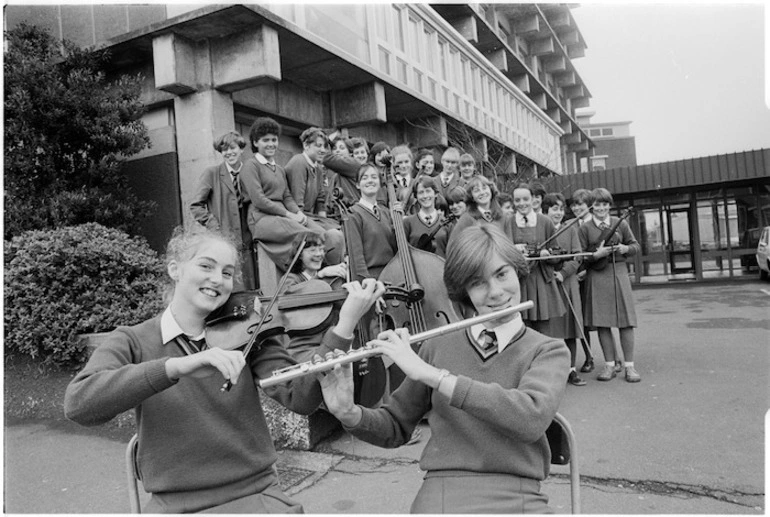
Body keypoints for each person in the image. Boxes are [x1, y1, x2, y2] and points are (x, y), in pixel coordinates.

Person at [64, 225, 383, 513]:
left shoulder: (251, 333)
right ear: (175, 269)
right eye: (206, 266)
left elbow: (299, 398)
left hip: (255, 492)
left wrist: (344, 325)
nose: (218, 279)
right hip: (176, 503)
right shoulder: (133, 340)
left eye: (228, 273)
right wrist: (176, 367)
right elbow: (80, 404)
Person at [319, 224, 570, 513]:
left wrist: (434, 376)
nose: (496, 292)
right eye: (478, 283)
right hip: (443, 490)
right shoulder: (437, 346)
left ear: (517, 270)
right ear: (463, 291)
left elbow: (530, 418)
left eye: (502, 274)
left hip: (517, 491)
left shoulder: (548, 350)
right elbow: (396, 426)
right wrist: (349, 413)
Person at [239, 117, 328, 271]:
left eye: (274, 140)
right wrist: (289, 215)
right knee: (306, 235)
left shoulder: (279, 169)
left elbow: (287, 196)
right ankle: (307, 273)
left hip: (282, 216)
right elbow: (259, 200)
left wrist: (299, 214)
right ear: (255, 143)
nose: (271, 144)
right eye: (265, 140)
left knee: (322, 233)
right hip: (261, 218)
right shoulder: (250, 166)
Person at [577, 187, 641, 383]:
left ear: (609, 205)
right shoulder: (584, 228)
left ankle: (630, 367)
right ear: (591, 206)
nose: (601, 208)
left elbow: (636, 246)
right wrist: (595, 255)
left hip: (619, 273)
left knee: (626, 322)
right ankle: (610, 365)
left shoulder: (620, 223)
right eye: (597, 204)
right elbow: (579, 256)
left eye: (605, 204)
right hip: (597, 275)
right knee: (603, 323)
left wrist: (625, 248)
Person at [189, 130, 257, 291]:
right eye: (224, 149)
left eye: (232, 148)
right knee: (231, 285)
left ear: (241, 149)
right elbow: (196, 206)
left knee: (252, 284)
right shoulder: (211, 173)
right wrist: (214, 226)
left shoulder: (251, 171)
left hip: (249, 237)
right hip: (224, 237)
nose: (229, 153)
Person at [503, 183, 566, 334]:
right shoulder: (508, 222)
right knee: (521, 328)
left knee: (544, 329)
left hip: (541, 282)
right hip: (519, 282)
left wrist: (547, 254)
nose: (522, 203)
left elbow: (557, 253)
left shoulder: (545, 222)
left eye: (526, 199)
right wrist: (514, 252)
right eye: (517, 200)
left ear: (533, 200)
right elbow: (503, 252)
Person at [542, 193, 587, 386]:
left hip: (567, 283)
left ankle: (571, 369)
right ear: (546, 210)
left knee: (569, 328)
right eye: (554, 208)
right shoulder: (542, 228)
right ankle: (552, 372)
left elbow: (578, 256)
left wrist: (565, 273)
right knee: (551, 328)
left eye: (561, 208)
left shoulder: (570, 229)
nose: (558, 212)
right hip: (548, 284)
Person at [282, 233, 349, 360]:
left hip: (331, 342)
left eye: (321, 249)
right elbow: (290, 304)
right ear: (299, 254)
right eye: (312, 250)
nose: (319, 254)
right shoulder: (291, 279)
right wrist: (319, 276)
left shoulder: (331, 278)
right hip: (304, 348)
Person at [284, 127, 344, 265]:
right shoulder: (299, 162)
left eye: (325, 146)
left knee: (342, 228)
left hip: (311, 216)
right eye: (318, 146)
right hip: (297, 216)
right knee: (333, 236)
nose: (323, 150)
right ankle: (328, 273)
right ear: (306, 145)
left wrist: (325, 221)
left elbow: (320, 199)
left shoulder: (317, 167)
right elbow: (296, 202)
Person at [569, 188, 598, 373]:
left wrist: (587, 271)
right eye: (574, 204)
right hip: (574, 277)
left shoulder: (596, 224)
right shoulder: (570, 225)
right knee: (581, 320)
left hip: (593, 275)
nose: (576, 208)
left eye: (580, 204)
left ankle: (615, 359)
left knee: (601, 319)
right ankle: (589, 357)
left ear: (589, 206)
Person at [447, 175, 505, 249]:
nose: (482, 193)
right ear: (472, 197)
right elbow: (452, 246)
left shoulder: (502, 216)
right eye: (476, 190)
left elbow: (509, 244)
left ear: (491, 190)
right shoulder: (467, 219)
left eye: (484, 188)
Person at [402, 176, 442, 253]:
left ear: (436, 193)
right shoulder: (408, 223)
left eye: (428, 191)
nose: (425, 196)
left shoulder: (446, 223)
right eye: (421, 192)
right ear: (416, 196)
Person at [434, 185, 468, 258]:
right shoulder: (447, 224)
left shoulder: (476, 221)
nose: (455, 206)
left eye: (458, 202)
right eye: (451, 204)